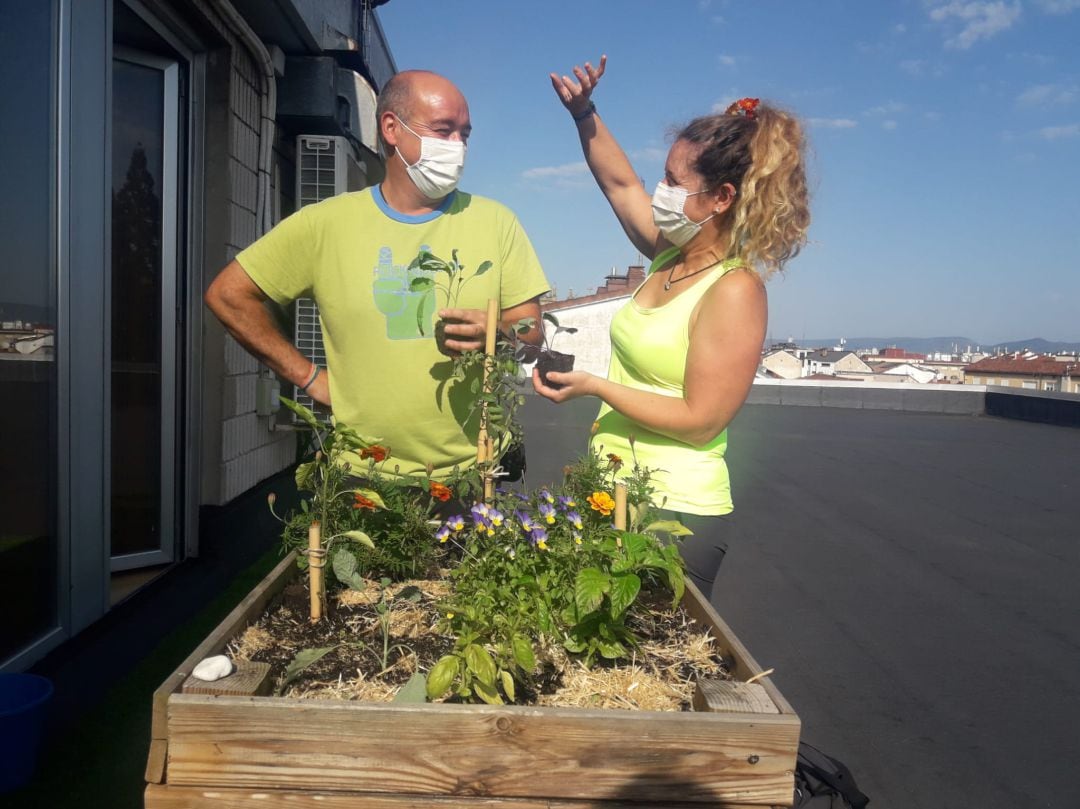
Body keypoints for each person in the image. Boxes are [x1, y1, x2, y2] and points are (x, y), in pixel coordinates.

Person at [537, 56, 810, 598]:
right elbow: (618, 183)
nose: (658, 190)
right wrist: (584, 112)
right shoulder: (668, 256)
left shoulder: (734, 289)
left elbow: (700, 421)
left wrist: (594, 386)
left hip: (673, 516)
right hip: (610, 490)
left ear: (722, 198)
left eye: (671, 180)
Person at [205, 70, 550, 480]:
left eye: (464, 135)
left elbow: (533, 332)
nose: (457, 147)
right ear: (391, 129)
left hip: (474, 476)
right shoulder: (325, 225)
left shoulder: (496, 223)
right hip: (360, 473)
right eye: (443, 130)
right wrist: (309, 377)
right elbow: (228, 294)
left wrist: (501, 333)